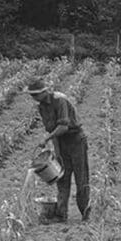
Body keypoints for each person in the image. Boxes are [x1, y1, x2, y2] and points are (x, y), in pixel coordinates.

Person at [26, 78, 91, 224]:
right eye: (32, 95)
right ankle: (61, 214)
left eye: (35, 95)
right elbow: (51, 128)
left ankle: (85, 213)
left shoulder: (59, 100)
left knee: (81, 178)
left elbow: (63, 127)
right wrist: (57, 151)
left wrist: (47, 139)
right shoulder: (42, 107)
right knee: (62, 178)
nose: (34, 98)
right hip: (61, 142)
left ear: (44, 92)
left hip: (76, 140)